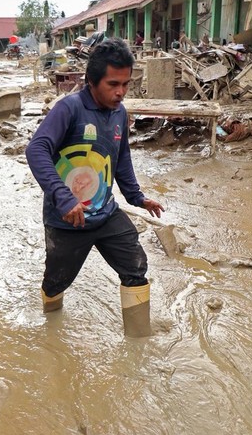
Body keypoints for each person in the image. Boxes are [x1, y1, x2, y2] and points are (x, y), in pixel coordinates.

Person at [25, 39, 164, 337]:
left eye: (126, 84)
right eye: (113, 84)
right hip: (67, 220)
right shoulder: (69, 109)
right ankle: (51, 328)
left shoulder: (119, 113)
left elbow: (121, 157)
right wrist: (63, 198)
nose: (121, 91)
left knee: (136, 268)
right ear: (91, 81)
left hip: (106, 215)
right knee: (56, 282)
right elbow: (36, 150)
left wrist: (137, 197)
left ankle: (139, 344)